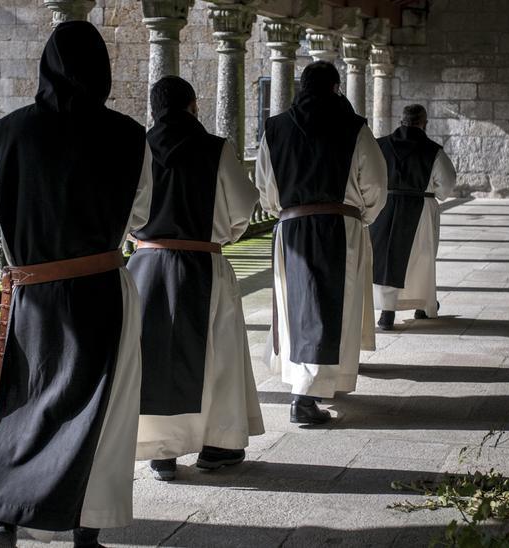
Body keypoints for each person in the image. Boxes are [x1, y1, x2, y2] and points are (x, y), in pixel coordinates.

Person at [0, 21, 151, 548]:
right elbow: (142, 213)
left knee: (26, 401)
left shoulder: (10, 129)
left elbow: (1, 209)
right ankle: (86, 528)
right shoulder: (129, 135)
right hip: (102, 287)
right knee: (101, 414)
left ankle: (5, 519)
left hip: (33, 291)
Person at [128, 76, 264, 482]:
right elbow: (244, 205)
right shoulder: (216, 147)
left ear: (154, 109)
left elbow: (123, 207)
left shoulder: (137, 146)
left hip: (146, 265)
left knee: (151, 357)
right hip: (202, 265)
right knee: (217, 358)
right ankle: (216, 446)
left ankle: (160, 453)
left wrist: (141, 236)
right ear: (193, 106)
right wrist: (221, 235)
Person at [254, 61, 387, 425]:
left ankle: (311, 384)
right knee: (329, 308)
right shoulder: (354, 127)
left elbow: (265, 187)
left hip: (292, 228)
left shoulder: (274, 128)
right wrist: (361, 220)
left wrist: (284, 212)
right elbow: (375, 183)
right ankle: (305, 397)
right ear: (336, 87)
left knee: (301, 309)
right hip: (339, 227)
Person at [370, 104, 457, 329]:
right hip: (420, 207)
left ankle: (387, 312)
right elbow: (446, 185)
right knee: (422, 260)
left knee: (387, 259)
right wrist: (435, 193)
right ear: (424, 123)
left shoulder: (380, 145)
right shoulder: (433, 150)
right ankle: (425, 306)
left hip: (384, 207)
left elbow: (370, 177)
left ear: (402, 121)